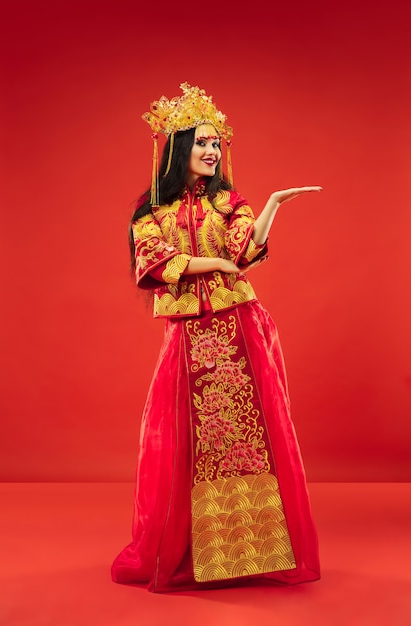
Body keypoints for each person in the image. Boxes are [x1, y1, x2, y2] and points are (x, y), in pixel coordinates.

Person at [111, 82, 322, 593]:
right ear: (180, 150)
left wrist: (271, 205)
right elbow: (158, 263)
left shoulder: (230, 201)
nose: (211, 151)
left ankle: (248, 552)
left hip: (239, 328)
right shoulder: (151, 213)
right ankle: (193, 553)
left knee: (249, 439)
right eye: (202, 142)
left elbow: (245, 250)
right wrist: (217, 263)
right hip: (190, 335)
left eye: (215, 143)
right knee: (186, 443)